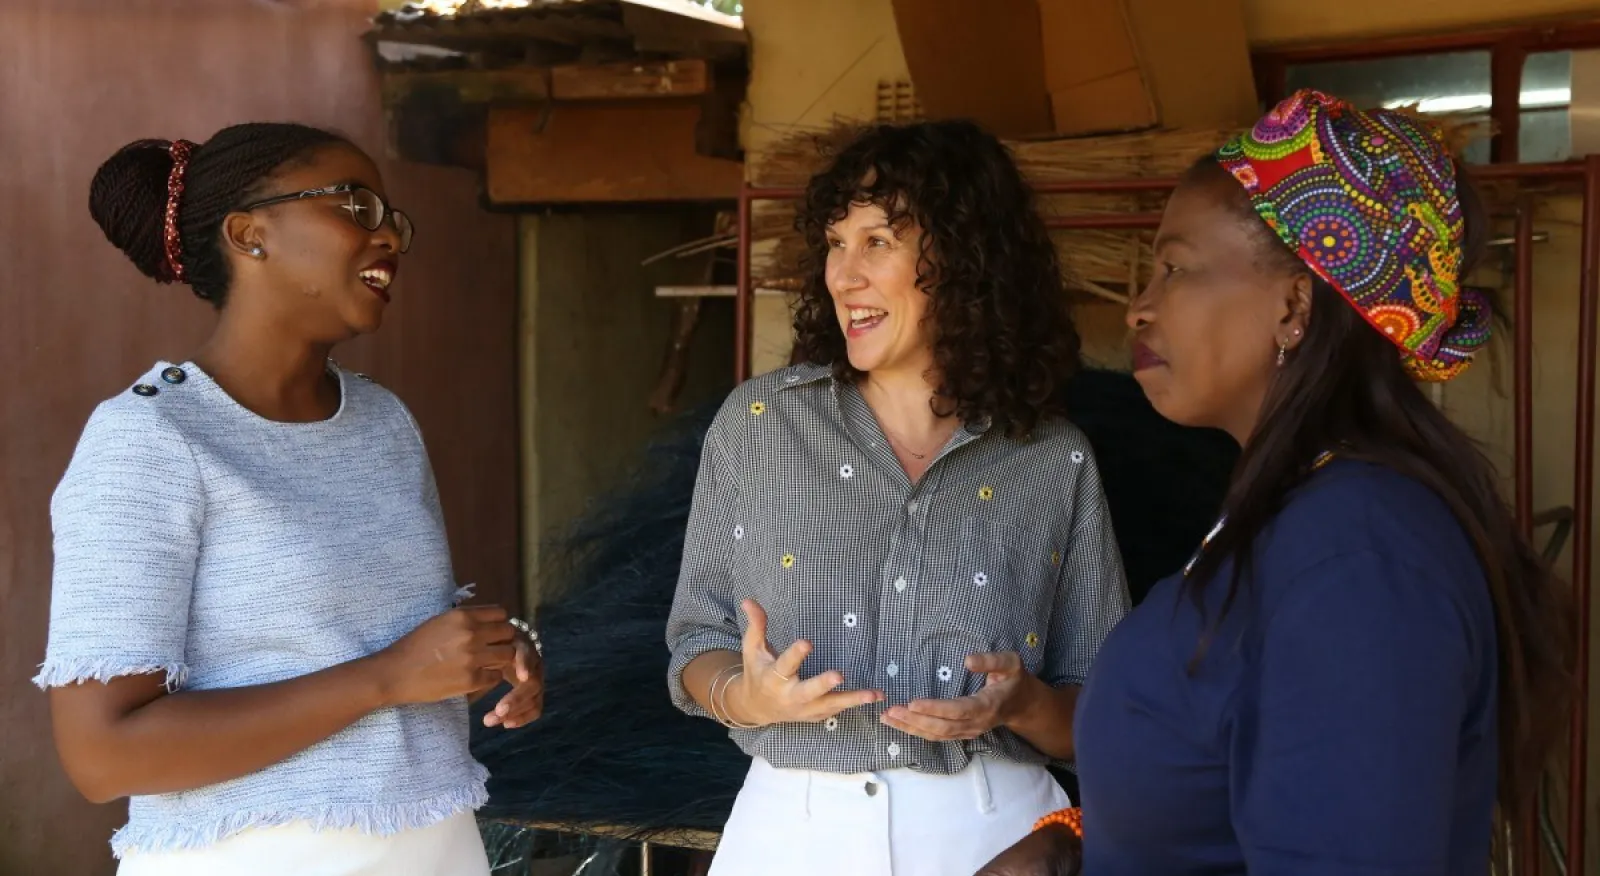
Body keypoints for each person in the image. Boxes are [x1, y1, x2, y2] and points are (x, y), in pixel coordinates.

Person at [978, 89, 1574, 876]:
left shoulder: (1361, 558)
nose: (1139, 310)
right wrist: (1072, 842)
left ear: (1295, 305)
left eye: (1175, 270)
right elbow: (1229, 782)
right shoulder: (1292, 512)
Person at [36, 123, 545, 875]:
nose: (389, 238)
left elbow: (386, 646)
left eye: (394, 220)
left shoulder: (382, 421)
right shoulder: (149, 439)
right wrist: (389, 677)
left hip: (435, 850)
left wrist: (487, 657)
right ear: (250, 235)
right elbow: (102, 754)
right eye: (355, 206)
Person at [664, 119, 1131, 875]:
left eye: (878, 241)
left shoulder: (1052, 459)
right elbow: (694, 641)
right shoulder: (761, 424)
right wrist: (744, 697)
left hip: (997, 839)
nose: (844, 275)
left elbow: (1107, 717)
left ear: (966, 259)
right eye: (835, 243)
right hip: (791, 836)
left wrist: (1018, 704)